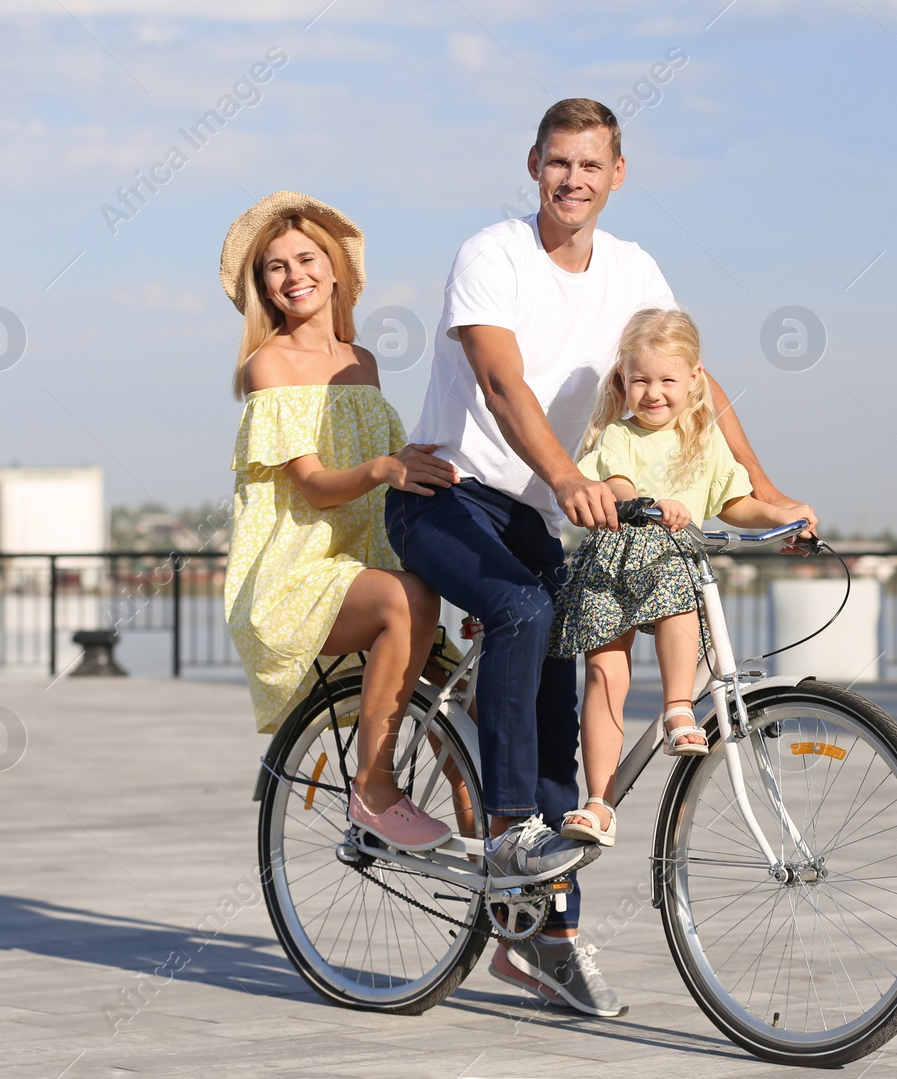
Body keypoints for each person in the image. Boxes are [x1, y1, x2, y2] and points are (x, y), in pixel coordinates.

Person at [386, 100, 816, 1016]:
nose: (572, 179)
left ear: (618, 174)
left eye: (590, 164)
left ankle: (546, 934)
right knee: (525, 613)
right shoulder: (491, 255)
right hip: (447, 497)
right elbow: (502, 383)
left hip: (539, 515)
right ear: (533, 164)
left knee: (565, 681)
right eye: (557, 163)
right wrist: (571, 480)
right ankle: (506, 834)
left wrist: (768, 493)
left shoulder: (634, 270)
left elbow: (696, 382)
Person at [221, 191, 460, 852]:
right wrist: (384, 468)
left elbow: (401, 471)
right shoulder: (266, 364)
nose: (293, 274)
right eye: (275, 266)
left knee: (467, 711)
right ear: (262, 286)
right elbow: (317, 488)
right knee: (408, 596)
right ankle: (373, 786)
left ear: (333, 270)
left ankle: (500, 890)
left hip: (365, 562)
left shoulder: (363, 364)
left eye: (305, 258)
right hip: (295, 575)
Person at [547, 308, 813, 847]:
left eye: (668, 380)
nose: (653, 393)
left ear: (695, 380)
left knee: (676, 592)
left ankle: (677, 709)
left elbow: (734, 502)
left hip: (669, 563)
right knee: (604, 676)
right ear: (624, 379)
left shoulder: (705, 443)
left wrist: (782, 516)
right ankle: (599, 802)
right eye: (640, 379)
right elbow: (617, 484)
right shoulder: (617, 436)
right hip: (613, 561)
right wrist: (645, 505)